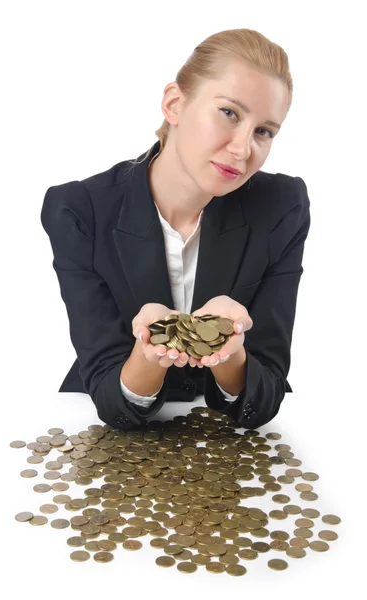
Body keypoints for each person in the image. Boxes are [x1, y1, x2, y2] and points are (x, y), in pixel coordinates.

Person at [41, 28, 311, 431]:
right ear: (174, 104)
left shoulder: (280, 207)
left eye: (263, 131)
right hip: (108, 426)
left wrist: (230, 353)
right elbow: (109, 395)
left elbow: (266, 393)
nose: (242, 149)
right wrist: (149, 354)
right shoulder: (80, 211)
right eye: (229, 113)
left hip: (225, 436)